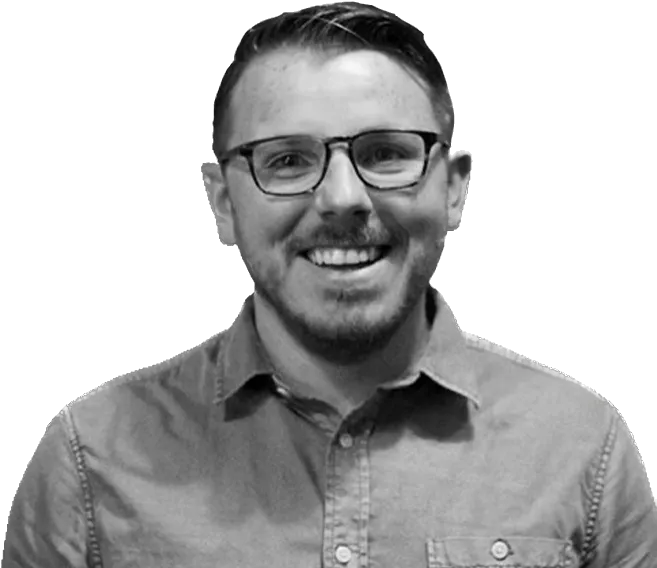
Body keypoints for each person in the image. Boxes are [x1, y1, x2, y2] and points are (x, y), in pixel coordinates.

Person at [4, 2, 656, 567]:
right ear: (222, 202)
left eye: (385, 153)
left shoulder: (583, 447)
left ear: (455, 186)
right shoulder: (89, 457)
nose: (342, 197)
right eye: (287, 160)